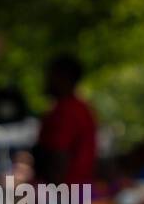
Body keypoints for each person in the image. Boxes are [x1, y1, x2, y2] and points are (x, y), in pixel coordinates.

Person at [35, 53, 98, 189]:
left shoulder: (66, 111)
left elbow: (58, 156)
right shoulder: (82, 108)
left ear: (64, 77)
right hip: (78, 191)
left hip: (65, 194)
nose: (47, 80)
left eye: (51, 75)